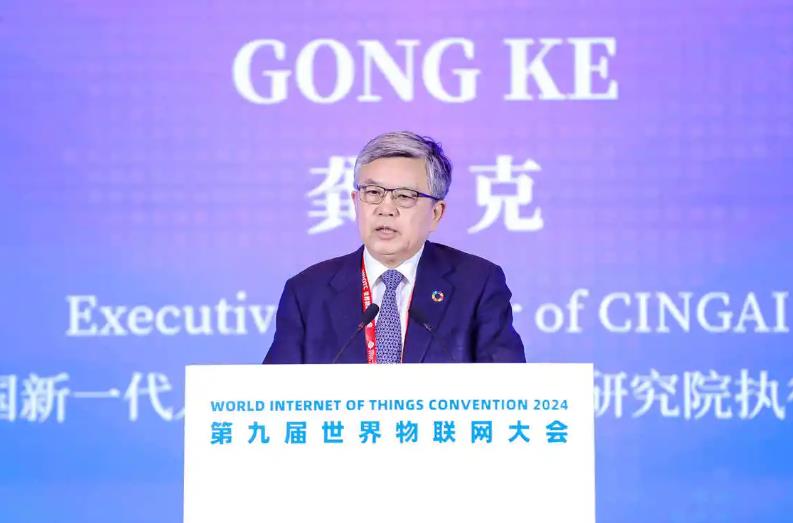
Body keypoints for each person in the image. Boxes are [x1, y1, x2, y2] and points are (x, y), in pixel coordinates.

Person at [263, 131, 525, 364]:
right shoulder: (307, 292)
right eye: (373, 192)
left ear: (436, 213)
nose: (385, 209)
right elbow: (274, 394)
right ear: (355, 201)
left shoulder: (477, 284)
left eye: (404, 196)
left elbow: (509, 388)